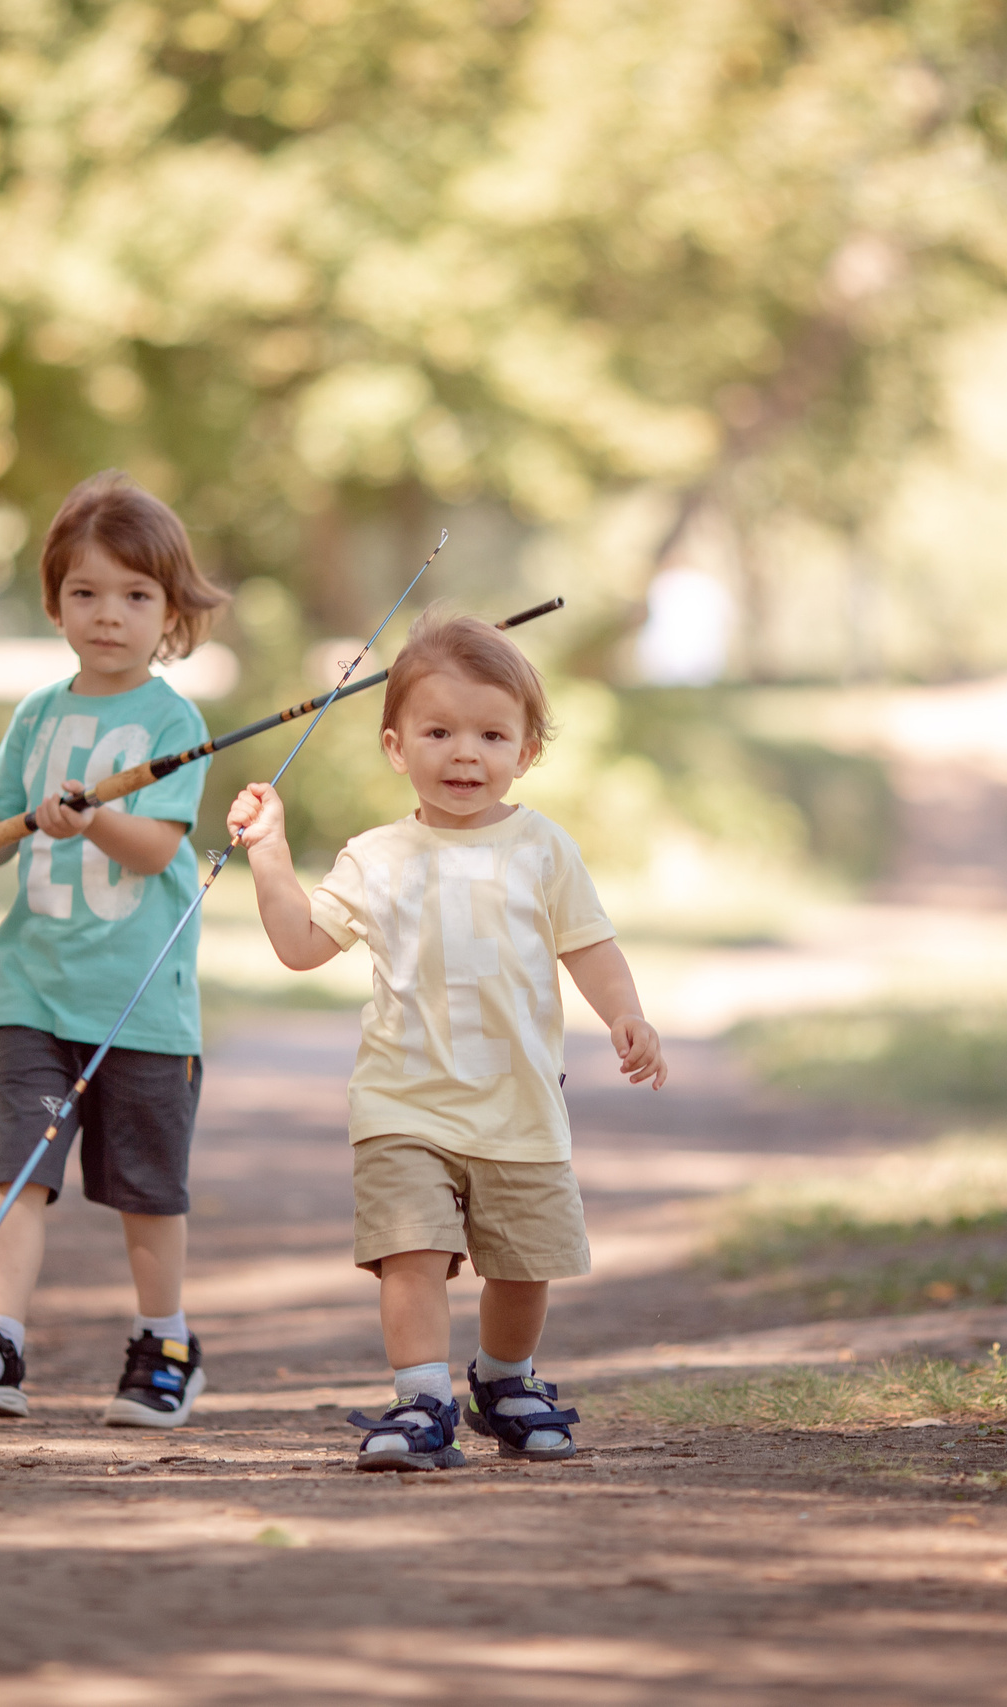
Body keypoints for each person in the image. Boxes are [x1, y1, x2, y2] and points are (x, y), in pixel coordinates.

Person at [224, 611, 667, 1471]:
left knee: (522, 1261)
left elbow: (588, 943)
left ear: (527, 751)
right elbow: (301, 944)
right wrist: (270, 854)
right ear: (395, 746)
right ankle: (420, 1398)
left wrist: (627, 1011)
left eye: (492, 734)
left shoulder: (543, 847)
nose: (465, 753)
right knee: (411, 1251)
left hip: (520, 1103)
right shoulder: (377, 856)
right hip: (404, 1102)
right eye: (438, 731)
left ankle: (504, 1380)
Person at [0, 471, 229, 1429]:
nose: (108, 615)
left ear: (169, 610)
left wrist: (93, 822)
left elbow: (159, 846)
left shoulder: (175, 723)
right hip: (34, 992)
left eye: (135, 596)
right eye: (85, 593)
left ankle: (165, 1342)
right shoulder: (38, 715)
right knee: (20, 1168)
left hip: (141, 1001)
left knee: (146, 1194)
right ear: (55, 601)